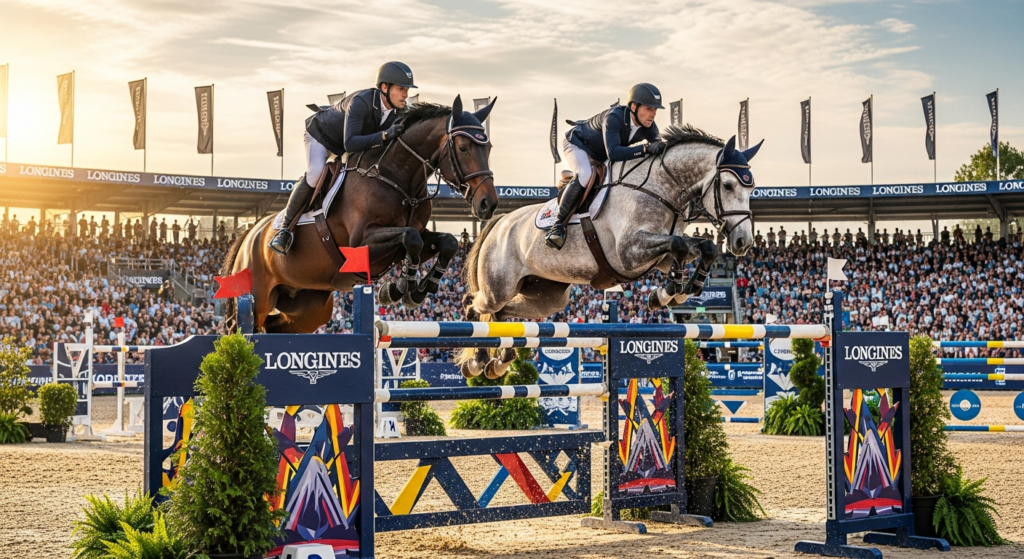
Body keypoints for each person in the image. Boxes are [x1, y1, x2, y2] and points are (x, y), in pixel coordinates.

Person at [269, 61, 416, 255]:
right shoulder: (361, 102)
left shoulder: (399, 112)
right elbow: (351, 143)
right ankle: (285, 229)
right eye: (401, 89)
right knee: (316, 173)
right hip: (322, 137)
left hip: (347, 147)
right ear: (384, 87)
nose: (406, 94)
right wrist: (383, 135)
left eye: (407, 90)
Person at [545, 83, 665, 249]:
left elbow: (658, 151)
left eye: (655, 109)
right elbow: (614, 153)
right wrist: (644, 149)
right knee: (585, 174)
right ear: (633, 107)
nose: (653, 114)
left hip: (601, 154)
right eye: (649, 108)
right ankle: (558, 226)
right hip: (578, 145)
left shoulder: (650, 127)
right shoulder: (614, 117)